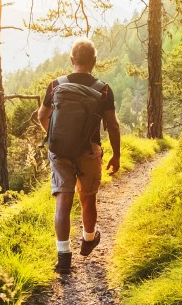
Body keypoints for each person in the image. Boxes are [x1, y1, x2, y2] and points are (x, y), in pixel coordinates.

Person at [37, 37, 121, 275]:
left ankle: (63, 257)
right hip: (89, 150)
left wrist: (55, 138)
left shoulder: (55, 85)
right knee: (88, 196)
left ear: (72, 60)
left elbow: (42, 115)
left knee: (63, 200)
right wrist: (116, 154)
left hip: (60, 150)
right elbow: (113, 126)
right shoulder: (103, 89)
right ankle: (88, 239)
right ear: (94, 62)